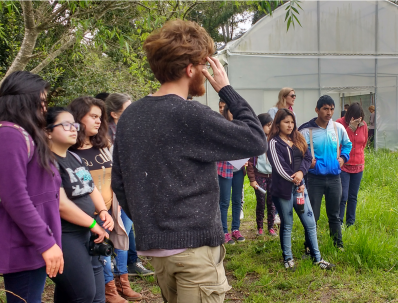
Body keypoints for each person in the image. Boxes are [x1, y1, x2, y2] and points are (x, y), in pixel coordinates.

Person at [111, 19, 267, 303]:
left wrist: (152, 224)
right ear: (190, 68)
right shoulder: (189, 114)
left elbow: (119, 183)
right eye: (204, 67)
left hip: (158, 253)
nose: (207, 74)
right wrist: (226, 90)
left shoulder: (130, 117)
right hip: (194, 251)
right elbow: (256, 139)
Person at [0, 71, 63, 303]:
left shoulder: (16, 134)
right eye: (41, 102)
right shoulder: (7, 136)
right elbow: (15, 197)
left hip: (31, 237)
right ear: (24, 101)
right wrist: (45, 242)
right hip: (24, 240)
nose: (44, 109)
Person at [68, 97, 143, 302]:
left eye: (100, 117)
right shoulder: (70, 152)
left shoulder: (103, 145)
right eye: (93, 116)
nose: (98, 121)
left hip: (109, 209)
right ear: (77, 118)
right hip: (84, 217)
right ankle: (109, 291)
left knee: (114, 247)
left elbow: (113, 176)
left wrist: (112, 207)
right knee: (96, 259)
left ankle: (119, 286)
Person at [46, 106, 113, 303]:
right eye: (66, 125)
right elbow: (61, 205)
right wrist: (93, 225)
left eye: (74, 125)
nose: (74, 129)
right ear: (47, 131)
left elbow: (91, 188)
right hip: (65, 234)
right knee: (83, 294)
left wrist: (102, 211)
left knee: (89, 296)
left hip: (87, 232)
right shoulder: (47, 162)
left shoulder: (74, 157)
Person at [267, 109, 335, 271]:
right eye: (286, 122)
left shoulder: (298, 137)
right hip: (283, 190)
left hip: (300, 188)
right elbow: (279, 168)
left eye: (292, 122)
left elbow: (308, 158)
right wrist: (296, 179)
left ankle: (317, 258)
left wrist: (300, 173)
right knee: (287, 224)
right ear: (278, 124)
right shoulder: (274, 143)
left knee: (310, 223)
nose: (290, 125)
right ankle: (288, 258)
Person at [105, 93, 154, 278]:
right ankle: (120, 273)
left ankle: (126, 268)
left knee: (127, 228)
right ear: (114, 114)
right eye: (128, 109)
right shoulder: (107, 137)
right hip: (117, 190)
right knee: (122, 231)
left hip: (132, 186)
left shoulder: (128, 129)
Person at [298, 95, 352, 250]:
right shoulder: (306, 130)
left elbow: (348, 144)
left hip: (335, 178)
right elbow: (298, 151)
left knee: (334, 215)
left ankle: (338, 245)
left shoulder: (338, 128)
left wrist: (343, 157)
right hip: (315, 179)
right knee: (312, 216)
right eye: (325, 109)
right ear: (317, 110)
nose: (329, 112)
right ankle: (309, 247)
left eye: (332, 109)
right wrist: (308, 162)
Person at [217, 104, 246, 244]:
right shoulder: (221, 126)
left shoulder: (242, 127)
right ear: (227, 112)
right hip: (224, 168)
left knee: (237, 200)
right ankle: (224, 231)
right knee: (224, 201)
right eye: (231, 112)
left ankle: (235, 229)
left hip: (239, 169)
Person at [335, 103, 368, 227]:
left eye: (359, 119)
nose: (358, 122)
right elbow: (338, 142)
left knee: (353, 196)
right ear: (349, 116)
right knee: (343, 195)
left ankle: (350, 222)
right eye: (355, 119)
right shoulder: (339, 123)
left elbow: (363, 143)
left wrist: (358, 154)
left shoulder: (363, 125)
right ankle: (339, 222)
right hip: (344, 164)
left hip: (358, 164)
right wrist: (350, 128)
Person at [247, 113, 277, 236]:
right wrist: (252, 179)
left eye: (271, 125)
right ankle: (260, 227)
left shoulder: (274, 140)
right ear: (260, 125)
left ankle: (270, 227)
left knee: (272, 203)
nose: (270, 127)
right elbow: (250, 163)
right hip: (260, 177)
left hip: (273, 177)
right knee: (261, 203)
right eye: (268, 125)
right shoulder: (256, 140)